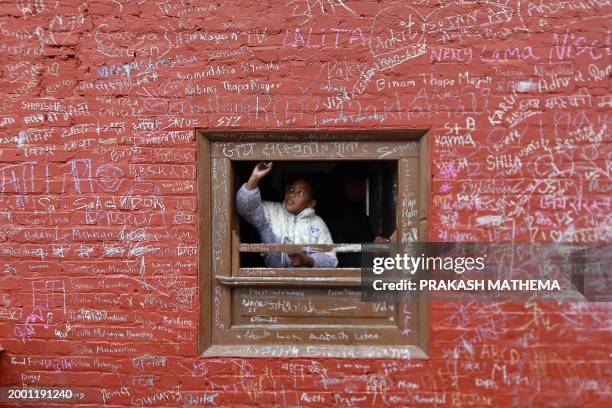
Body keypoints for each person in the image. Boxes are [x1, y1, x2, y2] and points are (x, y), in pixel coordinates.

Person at [236, 162, 338, 268]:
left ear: (311, 203)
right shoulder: (272, 212)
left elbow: (331, 260)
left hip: (306, 283)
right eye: (291, 189)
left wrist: (308, 260)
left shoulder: (318, 223)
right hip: (274, 280)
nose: (292, 194)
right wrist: (255, 178)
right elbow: (244, 208)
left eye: (301, 192)